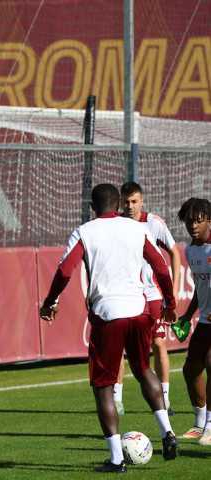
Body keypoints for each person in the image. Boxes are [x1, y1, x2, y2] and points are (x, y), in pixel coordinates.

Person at [40, 184, 177, 473]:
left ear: (92, 206)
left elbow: (65, 270)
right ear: (117, 204)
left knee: (104, 387)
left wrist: (49, 301)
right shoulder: (135, 229)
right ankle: (167, 431)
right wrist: (170, 302)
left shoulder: (85, 231)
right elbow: (162, 267)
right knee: (143, 370)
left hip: (108, 314)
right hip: (139, 311)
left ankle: (116, 459)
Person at [113, 182, 181, 416]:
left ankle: (165, 399)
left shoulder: (154, 223)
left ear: (142, 201)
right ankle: (117, 400)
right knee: (119, 347)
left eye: (134, 201)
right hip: (126, 296)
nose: (130, 206)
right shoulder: (116, 225)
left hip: (152, 296)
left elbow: (174, 252)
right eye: (126, 201)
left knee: (159, 343)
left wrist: (175, 288)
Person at [175, 198, 211, 445]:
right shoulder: (191, 250)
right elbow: (200, 288)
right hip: (205, 321)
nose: (193, 226)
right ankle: (200, 423)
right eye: (189, 221)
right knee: (190, 370)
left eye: (199, 220)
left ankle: (210, 426)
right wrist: (187, 316)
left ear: (209, 220)